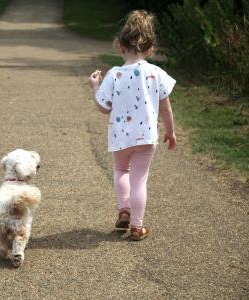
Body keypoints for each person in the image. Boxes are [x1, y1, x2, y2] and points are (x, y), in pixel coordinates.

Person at [88, 10, 177, 241]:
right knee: (140, 179)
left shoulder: (114, 75)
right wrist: (170, 131)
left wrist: (95, 87)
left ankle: (123, 209)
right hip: (146, 137)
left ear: (120, 46)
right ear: (150, 49)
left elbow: (104, 107)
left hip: (120, 138)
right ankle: (137, 227)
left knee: (121, 171)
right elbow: (166, 108)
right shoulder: (156, 73)